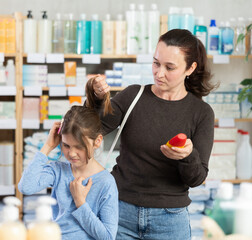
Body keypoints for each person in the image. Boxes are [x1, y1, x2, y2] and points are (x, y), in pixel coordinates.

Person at [85, 29, 216, 240]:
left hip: (170, 221)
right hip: (119, 212)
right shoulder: (133, 96)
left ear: (190, 68)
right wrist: (97, 97)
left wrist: (187, 156)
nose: (159, 73)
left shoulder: (201, 113)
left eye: (169, 67)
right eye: (156, 63)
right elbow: (93, 127)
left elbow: (197, 178)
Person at [19, 104, 119, 240]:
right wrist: (48, 146)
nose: (71, 153)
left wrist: (80, 202)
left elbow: (108, 237)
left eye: (79, 147)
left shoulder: (106, 182)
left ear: (97, 141)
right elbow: (26, 186)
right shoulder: (58, 170)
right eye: (66, 145)